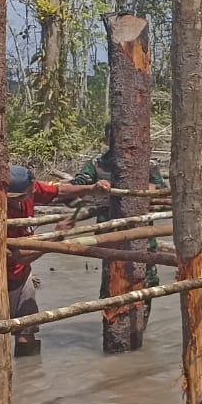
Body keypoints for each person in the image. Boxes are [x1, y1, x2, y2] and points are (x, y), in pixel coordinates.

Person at [7, 166, 111, 356]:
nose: (32, 194)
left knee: (27, 328)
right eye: (28, 193)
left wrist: (90, 189)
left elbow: (59, 190)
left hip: (21, 274)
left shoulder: (29, 190)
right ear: (12, 196)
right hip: (0, 277)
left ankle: (29, 375)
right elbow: (20, 255)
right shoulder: (0, 214)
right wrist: (55, 237)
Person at [73, 123, 168, 298]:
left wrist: (146, 189)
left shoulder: (147, 164)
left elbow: (162, 191)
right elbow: (75, 189)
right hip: (110, 235)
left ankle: (141, 325)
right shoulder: (97, 164)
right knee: (111, 286)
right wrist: (94, 187)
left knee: (146, 284)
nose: (120, 143)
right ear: (106, 140)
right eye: (114, 138)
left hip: (143, 237)